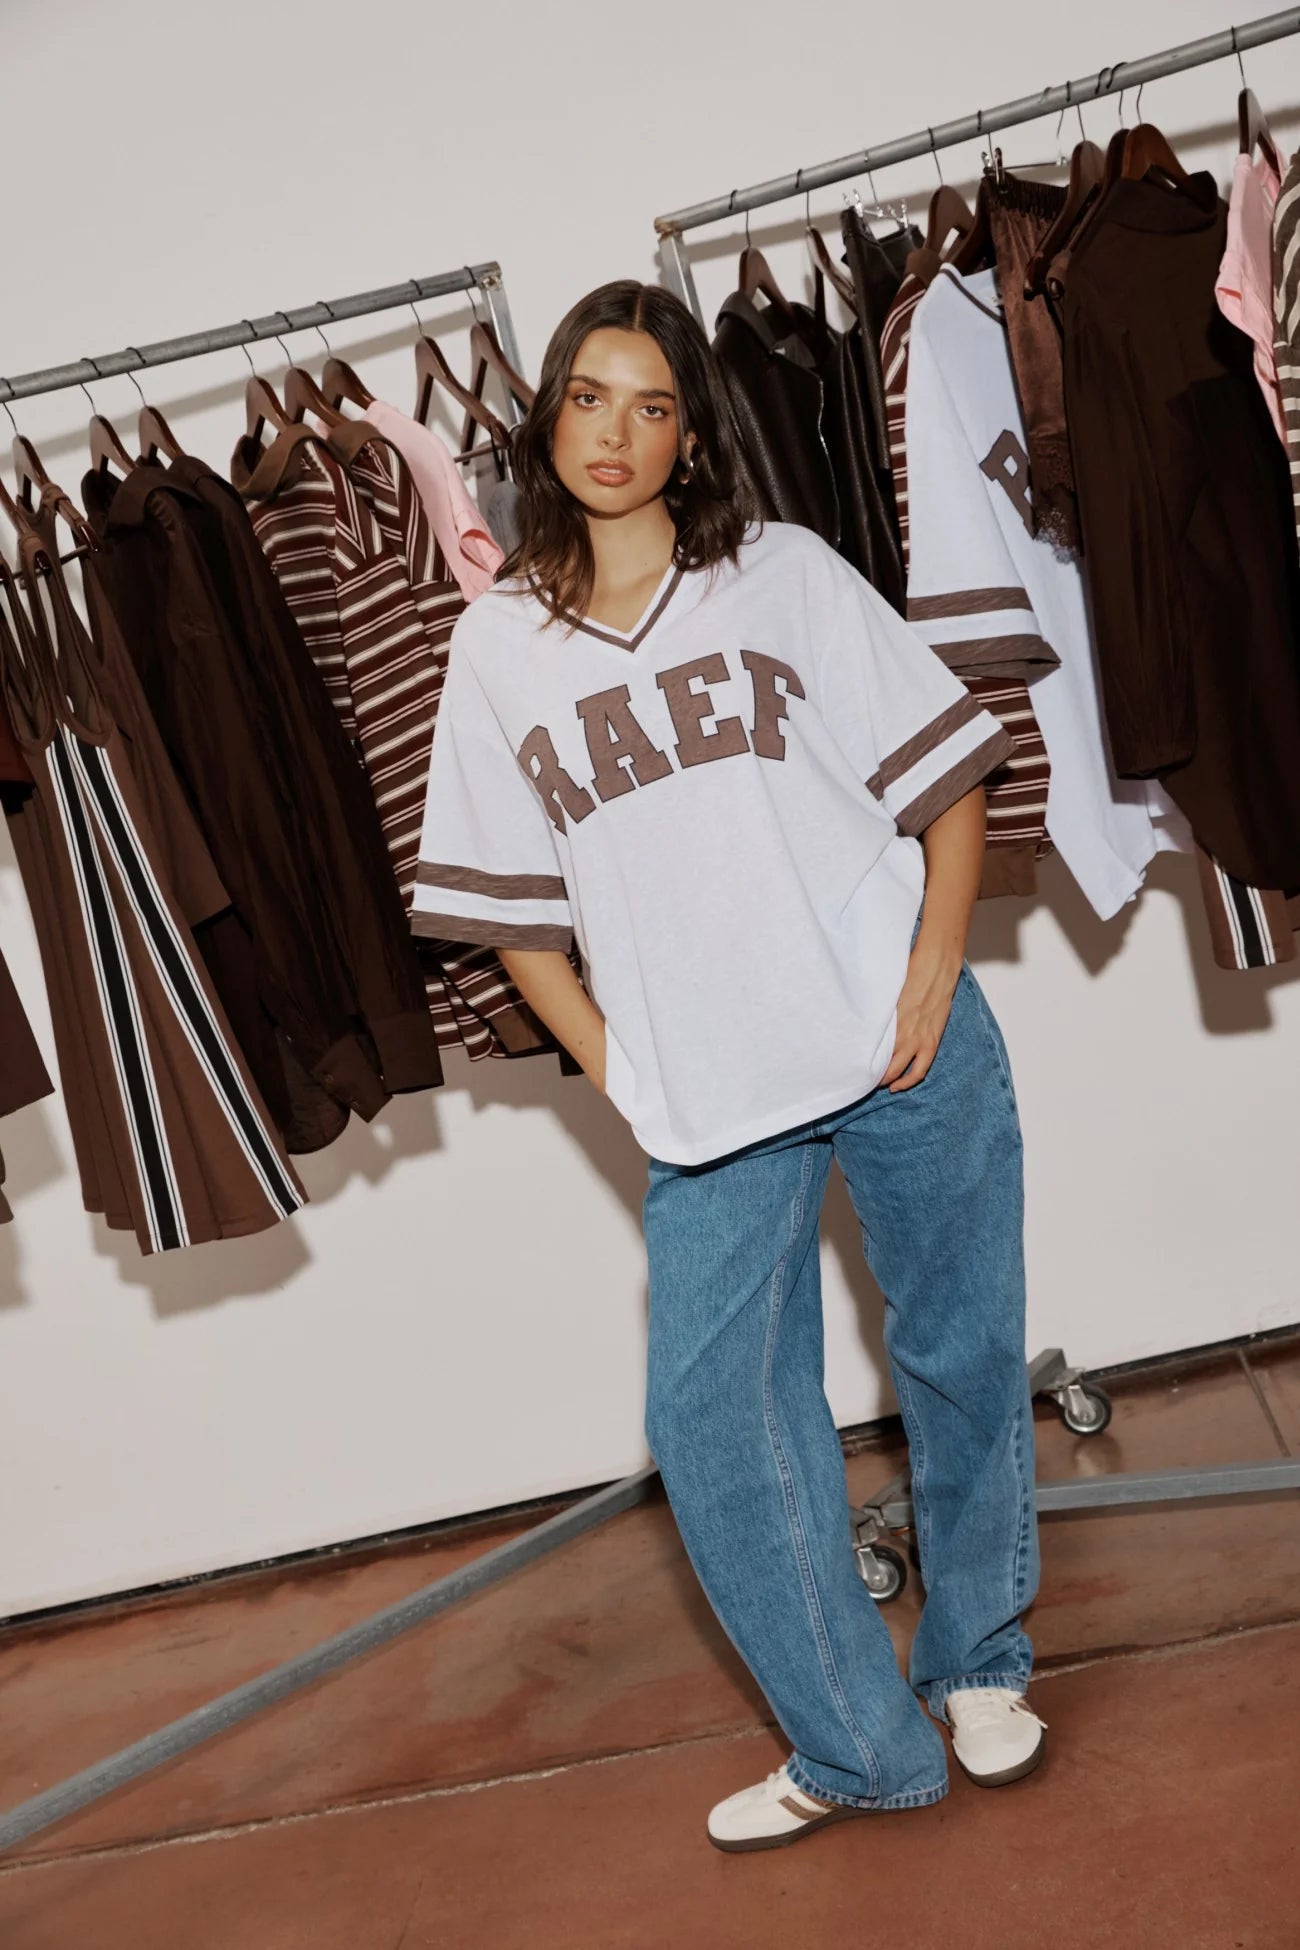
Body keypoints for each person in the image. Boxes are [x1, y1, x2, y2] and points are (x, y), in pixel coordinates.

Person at [413, 280, 1044, 1852]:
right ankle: (857, 1745)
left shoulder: (782, 575)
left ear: (692, 431)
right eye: (587, 398)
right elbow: (510, 914)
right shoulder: (497, 648)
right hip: (708, 1091)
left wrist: (932, 962)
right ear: (544, 413)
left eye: (650, 405)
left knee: (960, 1349)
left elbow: (950, 770)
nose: (614, 434)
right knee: (714, 1419)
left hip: (893, 1041)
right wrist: (621, 1067)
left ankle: (980, 1657)